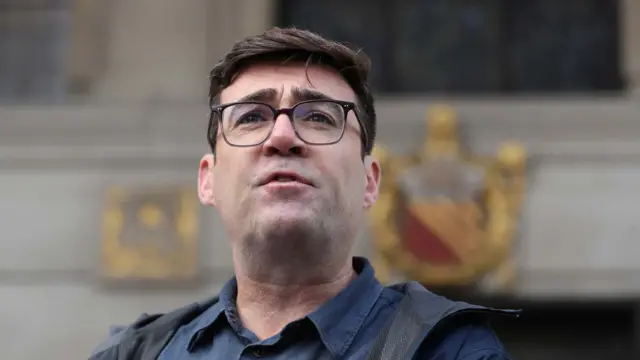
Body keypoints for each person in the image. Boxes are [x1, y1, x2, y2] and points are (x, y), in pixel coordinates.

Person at [89, 27, 518, 360]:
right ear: (208, 180)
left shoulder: (449, 350)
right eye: (251, 116)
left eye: (318, 116)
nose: (282, 135)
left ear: (370, 181)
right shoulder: (137, 353)